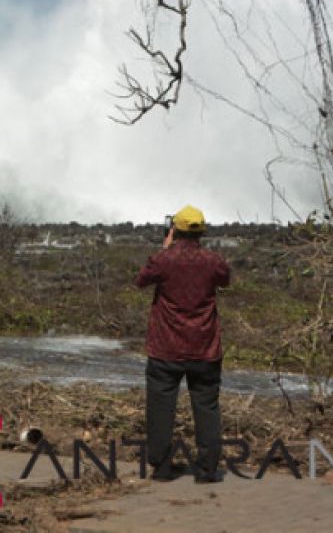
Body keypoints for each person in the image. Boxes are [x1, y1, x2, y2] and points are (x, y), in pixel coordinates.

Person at [134, 205, 231, 482]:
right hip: (205, 347)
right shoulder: (214, 261)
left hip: (166, 347)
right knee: (207, 408)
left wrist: (165, 250)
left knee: (160, 408)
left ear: (174, 230)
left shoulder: (163, 260)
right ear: (201, 231)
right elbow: (225, 280)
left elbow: (141, 280)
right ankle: (206, 470)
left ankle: (162, 468)